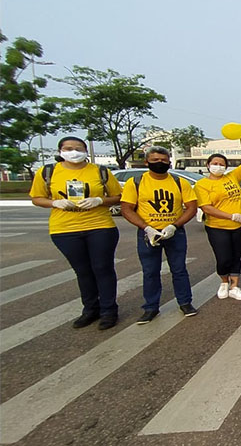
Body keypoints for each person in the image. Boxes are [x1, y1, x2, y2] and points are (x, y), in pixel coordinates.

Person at [29, 136, 123, 330]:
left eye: (79, 148)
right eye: (68, 148)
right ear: (60, 151)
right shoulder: (48, 172)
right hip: (64, 228)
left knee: (103, 268)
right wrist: (54, 202)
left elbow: (117, 196)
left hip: (99, 226)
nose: (74, 151)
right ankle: (90, 309)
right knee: (82, 271)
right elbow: (36, 198)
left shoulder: (100, 171)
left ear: (86, 151)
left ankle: (109, 310)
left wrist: (99, 201)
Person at [120, 146, 199, 324]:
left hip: (174, 233)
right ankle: (151, 308)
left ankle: (185, 303)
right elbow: (126, 209)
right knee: (150, 272)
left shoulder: (180, 182)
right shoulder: (136, 182)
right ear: (146, 162)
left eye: (163, 160)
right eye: (155, 161)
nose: (160, 163)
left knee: (179, 270)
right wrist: (146, 228)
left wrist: (174, 225)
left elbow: (192, 207)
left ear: (169, 161)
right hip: (148, 234)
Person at [194, 154, 241, 301]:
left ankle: (234, 287)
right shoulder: (202, 185)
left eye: (221, 164)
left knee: (236, 256)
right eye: (215, 163)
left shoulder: (232, 177)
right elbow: (207, 208)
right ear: (208, 165)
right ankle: (224, 282)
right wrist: (231, 216)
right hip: (217, 226)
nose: (218, 166)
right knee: (223, 258)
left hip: (239, 226)